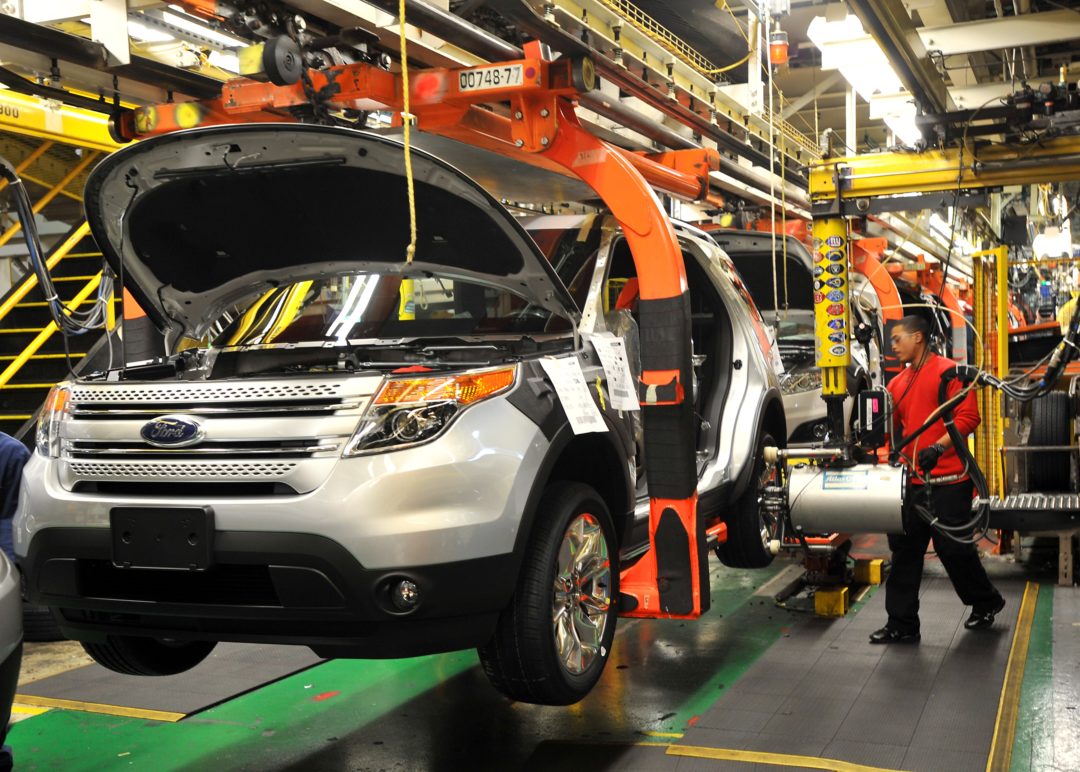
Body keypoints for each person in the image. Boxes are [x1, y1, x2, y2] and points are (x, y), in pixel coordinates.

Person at [870, 315, 1005, 644]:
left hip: (950, 479)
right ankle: (901, 623)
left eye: (898, 339)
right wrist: (883, 452)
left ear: (918, 337)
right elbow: (893, 431)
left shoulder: (949, 373)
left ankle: (985, 602)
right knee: (905, 552)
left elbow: (969, 417)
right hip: (912, 483)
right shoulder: (897, 384)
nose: (893, 346)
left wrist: (938, 447)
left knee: (953, 549)